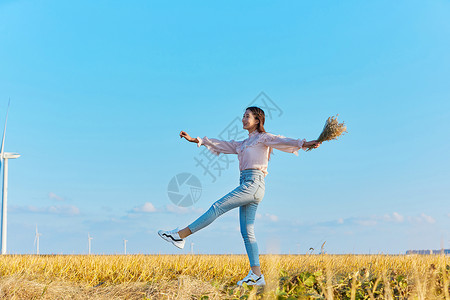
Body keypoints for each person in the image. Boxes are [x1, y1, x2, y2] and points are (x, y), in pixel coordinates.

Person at [158, 106, 321, 286]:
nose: (243, 119)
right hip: (247, 184)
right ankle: (257, 275)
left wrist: (306, 143)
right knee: (247, 232)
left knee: (217, 207)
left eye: (247, 116)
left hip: (254, 183)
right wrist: (195, 140)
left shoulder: (263, 138)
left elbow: (282, 140)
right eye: (243, 116)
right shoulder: (242, 144)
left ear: (258, 120)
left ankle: (180, 236)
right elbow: (220, 144)